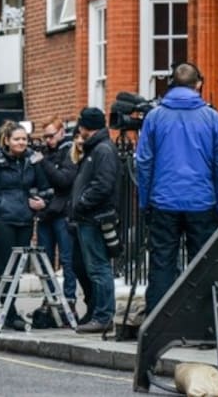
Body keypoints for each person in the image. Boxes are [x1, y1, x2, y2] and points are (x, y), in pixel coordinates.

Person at [136, 63, 218, 314]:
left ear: (172, 83)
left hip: (163, 200)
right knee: (202, 264)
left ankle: (158, 324)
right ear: (198, 84)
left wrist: (145, 200)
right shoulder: (211, 117)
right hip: (202, 201)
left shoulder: (155, 116)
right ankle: (203, 324)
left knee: (161, 264)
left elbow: (143, 162)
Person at [0, 121, 50, 331]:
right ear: (7, 140)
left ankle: (9, 311)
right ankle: (9, 313)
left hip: (25, 220)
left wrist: (40, 201)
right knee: (6, 267)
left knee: (17, 269)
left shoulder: (32, 160)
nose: (21, 142)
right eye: (17, 139)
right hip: (2, 221)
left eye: (24, 139)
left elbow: (45, 187)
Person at [70, 107, 120, 333]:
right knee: (91, 268)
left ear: (85, 127)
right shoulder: (95, 148)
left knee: (99, 268)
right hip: (88, 217)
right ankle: (96, 313)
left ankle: (103, 316)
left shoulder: (103, 150)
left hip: (94, 217)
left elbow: (103, 184)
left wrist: (81, 202)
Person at [31, 116, 78, 315]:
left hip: (62, 213)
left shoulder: (69, 151)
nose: (48, 140)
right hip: (45, 214)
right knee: (45, 261)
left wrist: (44, 163)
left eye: (51, 136)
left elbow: (64, 182)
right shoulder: (43, 154)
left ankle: (69, 301)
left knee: (67, 260)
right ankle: (49, 300)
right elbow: (33, 181)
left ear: (61, 132)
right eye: (45, 136)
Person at [67, 132, 94, 324]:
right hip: (75, 221)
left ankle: (95, 308)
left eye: (82, 136)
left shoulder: (93, 159)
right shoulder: (75, 163)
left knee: (91, 267)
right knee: (77, 265)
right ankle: (91, 304)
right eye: (76, 136)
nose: (79, 140)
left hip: (89, 219)